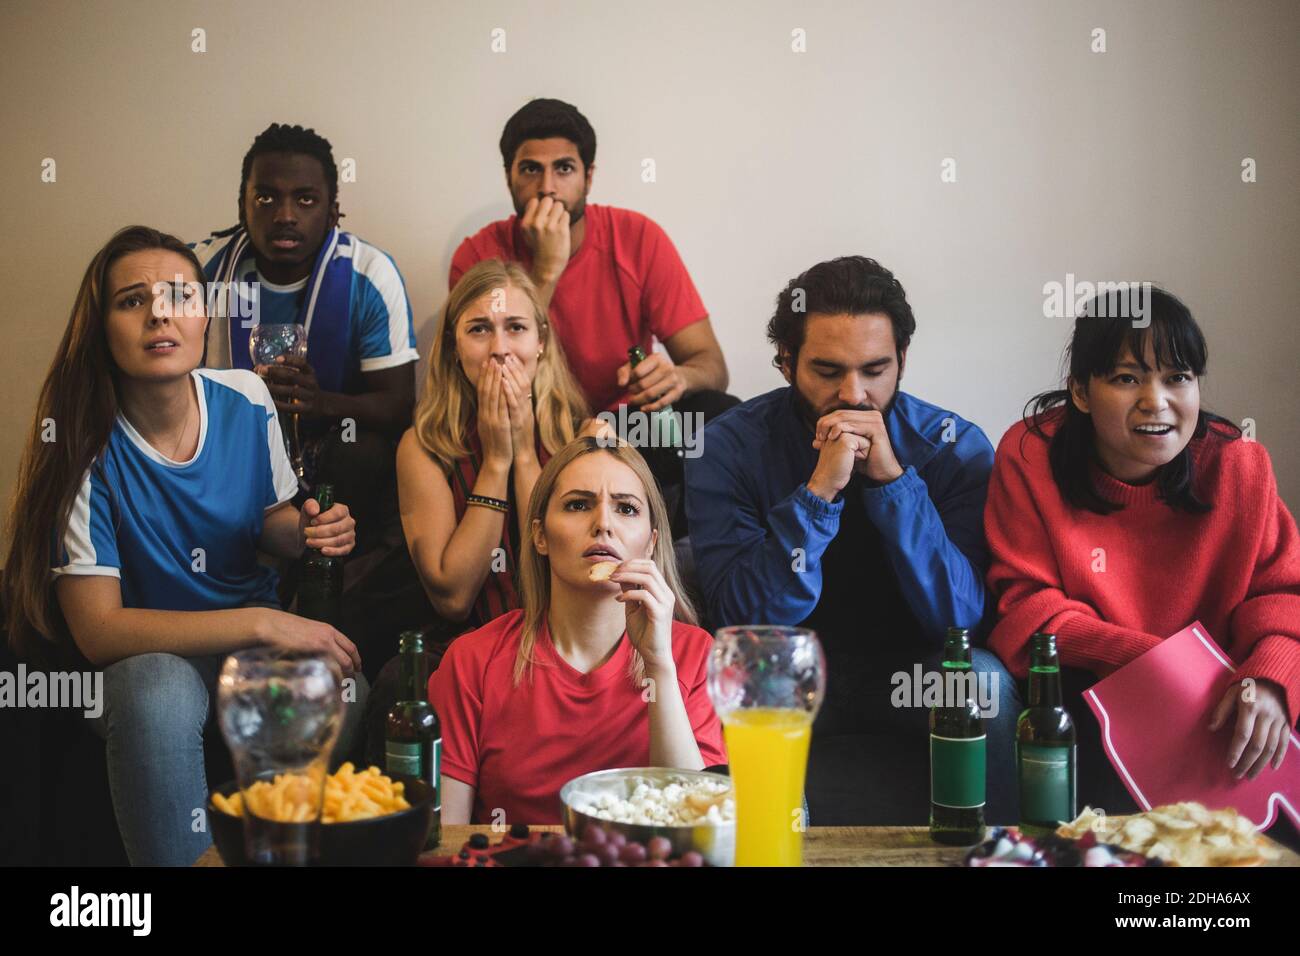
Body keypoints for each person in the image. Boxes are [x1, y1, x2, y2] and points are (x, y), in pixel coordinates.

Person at [2, 226, 366, 866]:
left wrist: (312, 529)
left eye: (179, 295)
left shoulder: (248, 396)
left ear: (204, 316)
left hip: (245, 652)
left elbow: (270, 520)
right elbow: (100, 630)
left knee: (345, 686)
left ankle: (265, 853)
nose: (160, 313)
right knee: (157, 690)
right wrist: (266, 620)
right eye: (132, 300)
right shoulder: (83, 449)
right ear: (102, 327)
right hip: (152, 656)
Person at [685, 255, 1019, 825]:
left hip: (908, 675)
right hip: (783, 679)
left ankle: (1007, 860)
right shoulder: (728, 447)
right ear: (786, 362)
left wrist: (894, 484)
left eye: (874, 369)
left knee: (982, 681)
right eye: (827, 370)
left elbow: (960, 620)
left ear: (902, 360)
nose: (854, 394)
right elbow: (742, 619)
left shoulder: (954, 448)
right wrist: (819, 494)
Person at [985, 286, 1299, 811]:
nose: (1156, 401)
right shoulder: (1028, 454)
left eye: (1178, 377)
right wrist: (1154, 663)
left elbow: (1282, 594)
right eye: (1127, 378)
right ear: (1081, 392)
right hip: (1087, 692)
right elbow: (1025, 605)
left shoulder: (1239, 464)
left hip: (1221, 704)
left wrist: (1270, 678)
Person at [450, 98, 736, 534]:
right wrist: (547, 271)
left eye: (564, 168)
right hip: (528, 422)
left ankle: (676, 557)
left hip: (624, 428)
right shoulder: (478, 255)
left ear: (588, 177)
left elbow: (712, 365)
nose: (547, 187)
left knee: (714, 414)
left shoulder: (638, 237)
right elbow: (488, 367)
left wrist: (680, 377)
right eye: (530, 170)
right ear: (508, 175)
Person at [359, 260, 601, 758]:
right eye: (478, 330)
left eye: (515, 328)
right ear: (452, 348)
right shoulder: (423, 447)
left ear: (541, 342)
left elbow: (557, 576)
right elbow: (452, 596)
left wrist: (528, 454)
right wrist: (497, 460)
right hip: (464, 642)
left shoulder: (583, 436)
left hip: (562, 636)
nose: (499, 350)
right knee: (399, 689)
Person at [429, 438, 727, 825]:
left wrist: (659, 666)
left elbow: (697, 827)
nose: (603, 523)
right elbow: (445, 841)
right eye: (578, 504)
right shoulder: (472, 660)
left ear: (651, 543)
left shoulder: (694, 654)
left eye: (626, 508)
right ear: (540, 536)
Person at [192, 122, 417, 563]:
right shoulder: (200, 269)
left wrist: (322, 404)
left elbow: (398, 405)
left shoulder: (368, 274)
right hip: (219, 442)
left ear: (333, 211)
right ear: (243, 205)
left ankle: (330, 585)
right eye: (266, 197)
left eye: (306, 199)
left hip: (324, 449)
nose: (285, 215)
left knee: (364, 451)